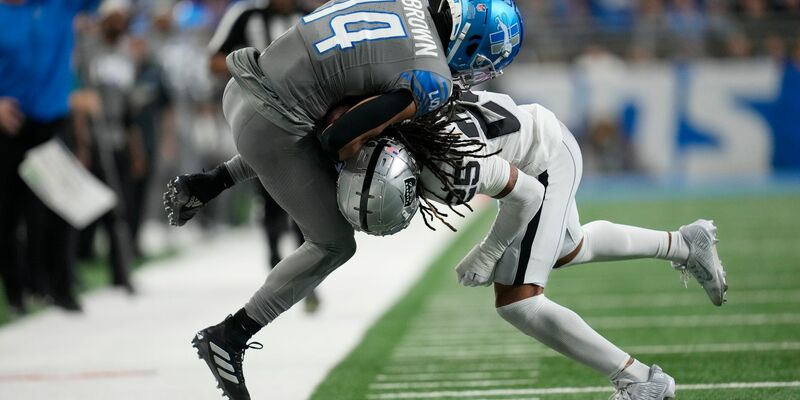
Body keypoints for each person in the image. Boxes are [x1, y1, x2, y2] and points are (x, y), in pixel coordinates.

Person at [162, 1, 524, 399]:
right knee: (334, 243)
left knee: (314, 117)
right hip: (269, 124)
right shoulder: (432, 77)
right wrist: (373, 162)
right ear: (471, 41)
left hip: (244, 85)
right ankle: (231, 336)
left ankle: (211, 181)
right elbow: (337, 139)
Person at [335, 90, 729, 400]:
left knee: (519, 301)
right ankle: (683, 244)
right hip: (540, 137)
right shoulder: (399, 120)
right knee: (570, 248)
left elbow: (526, 197)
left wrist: (488, 251)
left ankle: (640, 380)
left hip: (543, 163)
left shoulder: (446, 170)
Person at [208, 0, 320, 312]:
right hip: (260, 121)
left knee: (309, 200)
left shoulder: (308, 16)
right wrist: (254, 71)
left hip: (306, 119)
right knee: (270, 198)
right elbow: (214, 61)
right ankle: (275, 264)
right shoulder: (246, 16)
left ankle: (303, 278)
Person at [0, 0, 100, 313]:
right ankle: (17, 292)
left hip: (52, 122)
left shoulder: (60, 6)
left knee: (58, 207)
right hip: (9, 124)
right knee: (5, 214)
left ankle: (59, 286)